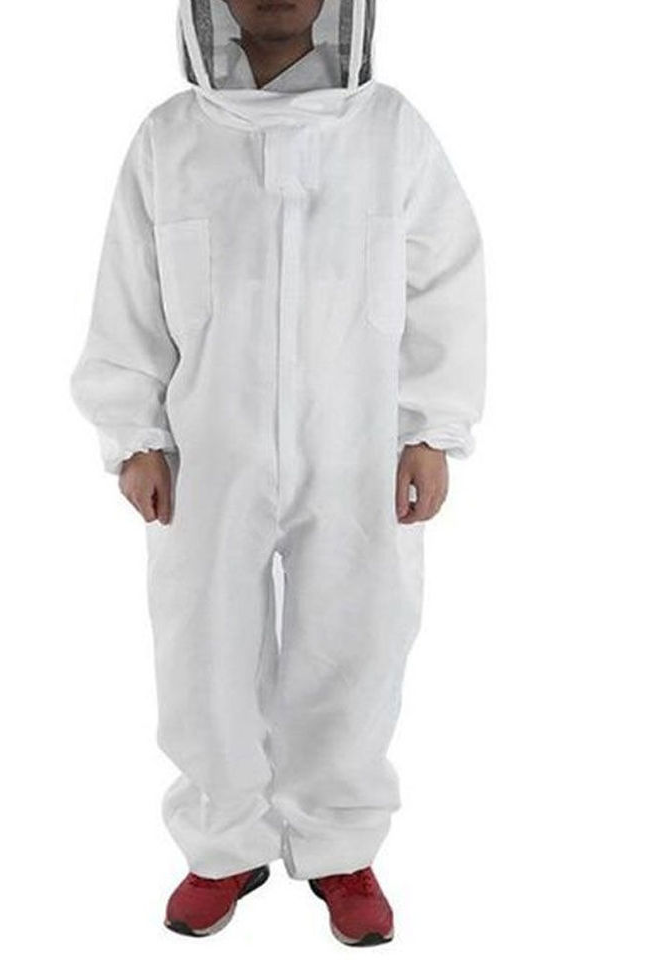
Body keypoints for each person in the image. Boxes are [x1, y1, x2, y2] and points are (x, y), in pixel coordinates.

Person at [71, 0, 485, 946]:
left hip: (358, 444)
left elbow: (446, 279)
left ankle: (341, 846)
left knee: (357, 637)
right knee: (202, 645)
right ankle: (223, 844)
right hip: (205, 449)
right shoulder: (171, 137)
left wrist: (431, 428)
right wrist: (134, 435)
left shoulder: (390, 131)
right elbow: (130, 288)